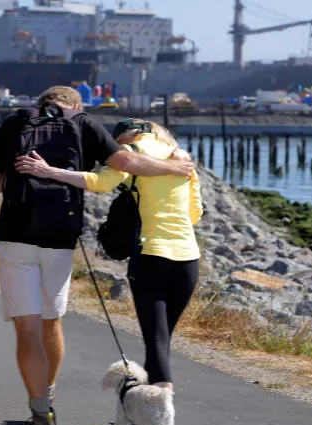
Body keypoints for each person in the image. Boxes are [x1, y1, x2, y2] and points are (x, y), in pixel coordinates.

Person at [0, 87, 195, 425]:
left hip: (15, 236)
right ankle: (48, 393)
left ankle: (42, 414)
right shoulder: (83, 124)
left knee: (27, 328)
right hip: (61, 238)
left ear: (42, 103)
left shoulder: (17, 122)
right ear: (75, 106)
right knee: (51, 321)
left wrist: (26, 181)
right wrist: (174, 167)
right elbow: (125, 164)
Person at [15, 118, 201, 393]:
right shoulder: (182, 161)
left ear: (124, 138)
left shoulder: (132, 155)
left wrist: (51, 172)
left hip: (151, 254)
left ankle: (160, 409)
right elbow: (195, 215)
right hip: (188, 259)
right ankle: (145, 410)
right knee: (161, 337)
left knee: (156, 338)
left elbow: (99, 182)